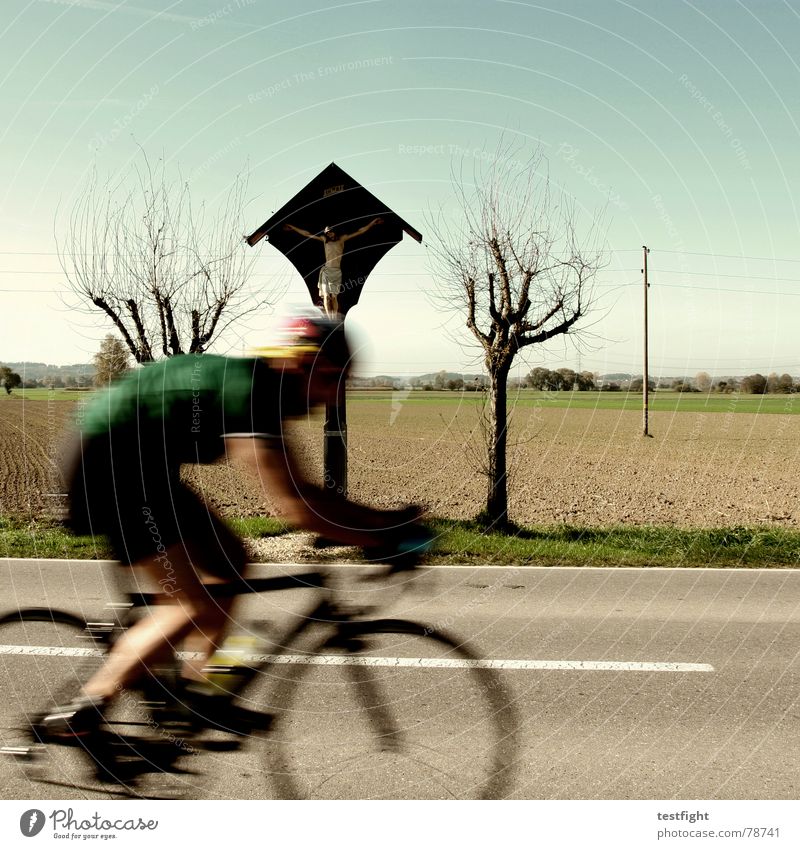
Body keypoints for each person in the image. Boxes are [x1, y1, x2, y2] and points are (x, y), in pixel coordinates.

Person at [37, 311, 420, 769]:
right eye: (334, 379)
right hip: (105, 468)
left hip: (146, 472)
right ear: (301, 365)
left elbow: (305, 493)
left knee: (231, 561)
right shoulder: (251, 394)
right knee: (188, 604)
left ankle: (198, 693)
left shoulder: (266, 393)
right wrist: (381, 535)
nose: (337, 394)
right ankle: (83, 709)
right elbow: (294, 508)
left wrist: (384, 525)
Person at [283, 218, 383, 316]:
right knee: (326, 296)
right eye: (327, 233)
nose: (329, 234)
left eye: (330, 232)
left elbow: (359, 232)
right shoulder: (325, 240)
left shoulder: (342, 239)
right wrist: (293, 227)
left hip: (336, 272)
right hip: (326, 271)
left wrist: (373, 223)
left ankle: (333, 318)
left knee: (334, 297)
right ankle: (329, 318)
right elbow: (307, 234)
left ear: (334, 231)